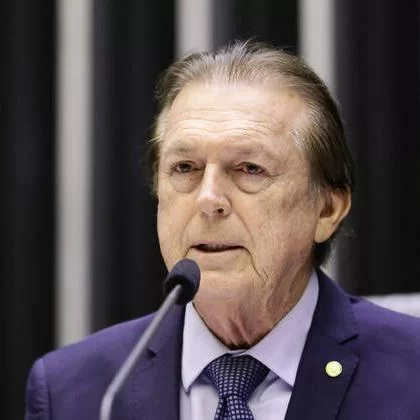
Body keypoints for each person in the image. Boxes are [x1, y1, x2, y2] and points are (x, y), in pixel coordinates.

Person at [25, 40, 420, 420]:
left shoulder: (411, 374)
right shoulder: (76, 393)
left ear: (328, 210)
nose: (208, 198)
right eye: (185, 168)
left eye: (250, 169)